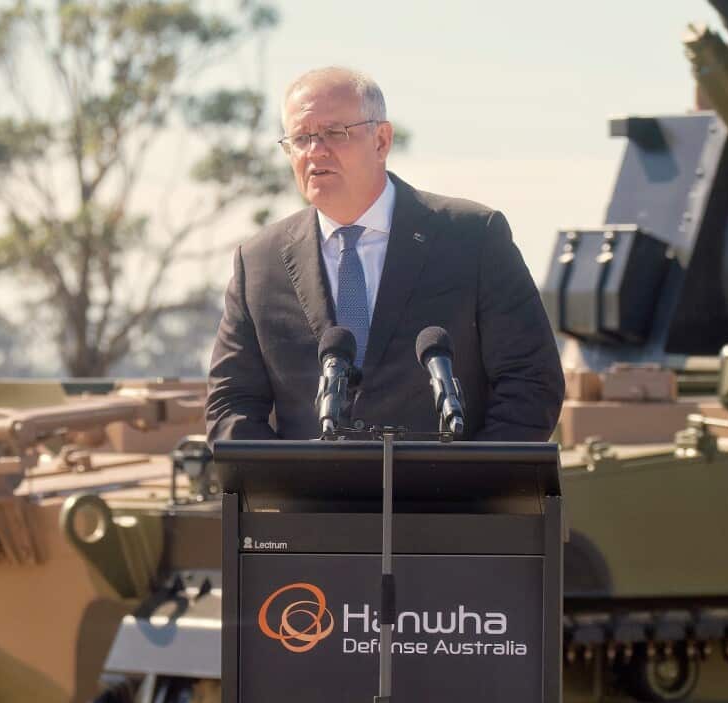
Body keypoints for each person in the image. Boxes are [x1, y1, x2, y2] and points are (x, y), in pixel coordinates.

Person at [206, 67, 564, 443]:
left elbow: (531, 381)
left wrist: (473, 483)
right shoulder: (260, 262)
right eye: (300, 138)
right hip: (309, 499)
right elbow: (231, 405)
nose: (315, 151)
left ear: (381, 140)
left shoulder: (472, 237)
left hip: (446, 498)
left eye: (333, 133)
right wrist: (286, 485)